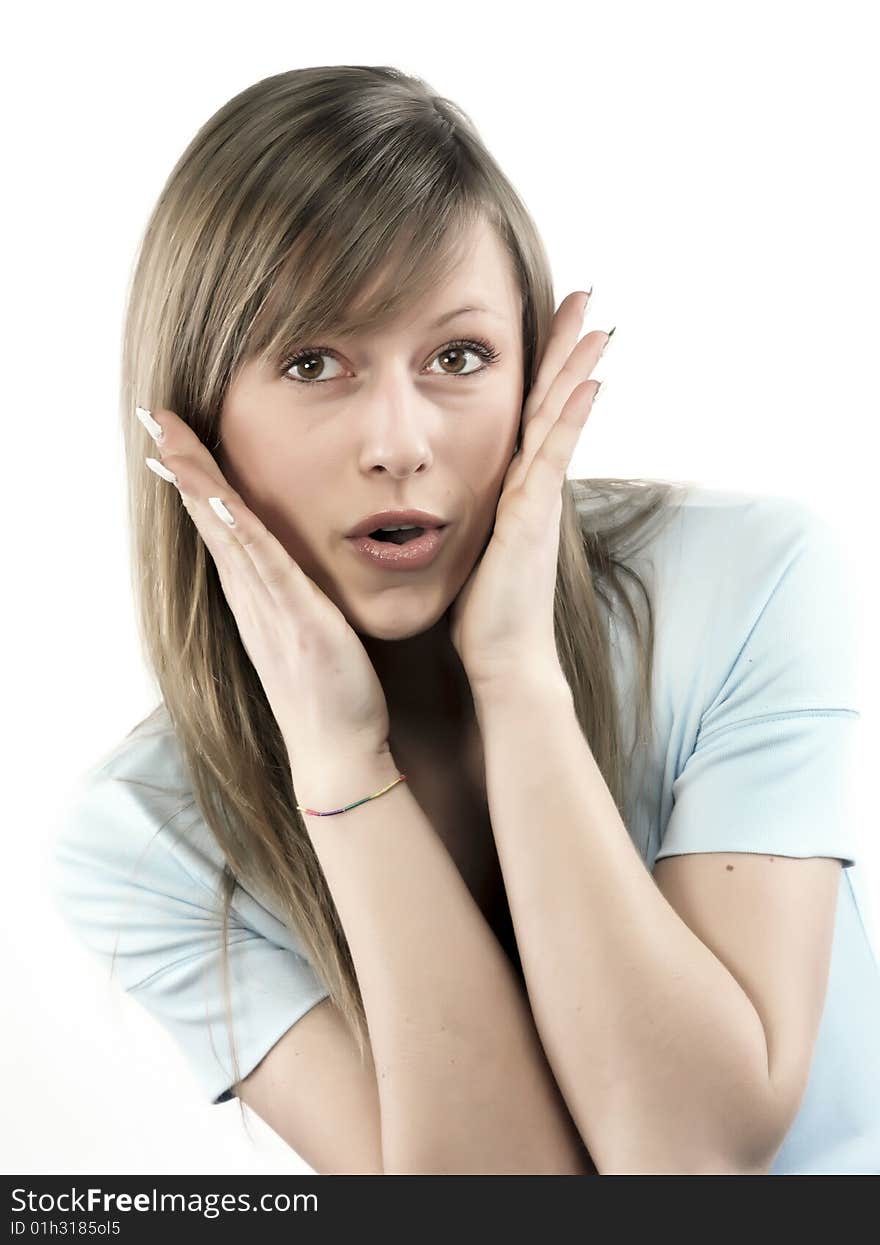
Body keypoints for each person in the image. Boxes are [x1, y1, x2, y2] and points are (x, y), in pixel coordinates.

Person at [50, 64, 878, 1175]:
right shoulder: (144, 838)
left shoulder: (741, 582)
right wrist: (341, 765)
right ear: (193, 416)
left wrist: (517, 679)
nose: (398, 441)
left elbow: (691, 1158)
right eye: (313, 362)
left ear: (531, 371)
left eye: (457, 357)